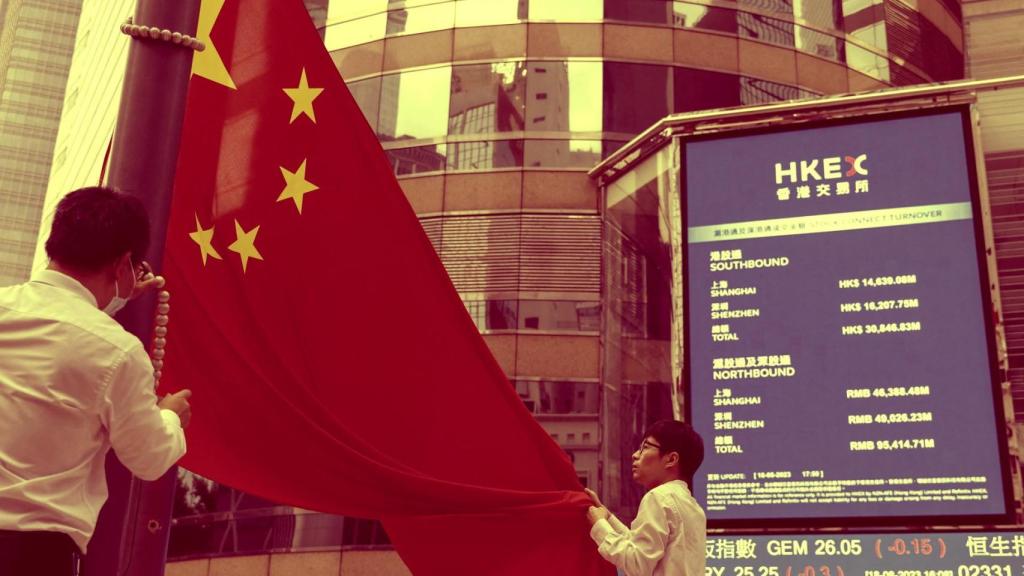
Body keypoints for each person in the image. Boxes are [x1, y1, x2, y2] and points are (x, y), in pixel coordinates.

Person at [0, 186, 192, 576]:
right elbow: (149, 458)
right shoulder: (117, 352)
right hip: (32, 552)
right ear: (124, 264)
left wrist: (115, 298)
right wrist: (170, 417)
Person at [586, 420, 706, 576]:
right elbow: (643, 547)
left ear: (671, 459)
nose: (635, 455)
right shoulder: (692, 505)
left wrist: (599, 525)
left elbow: (638, 564)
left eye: (645, 447)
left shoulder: (658, 497)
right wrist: (607, 518)